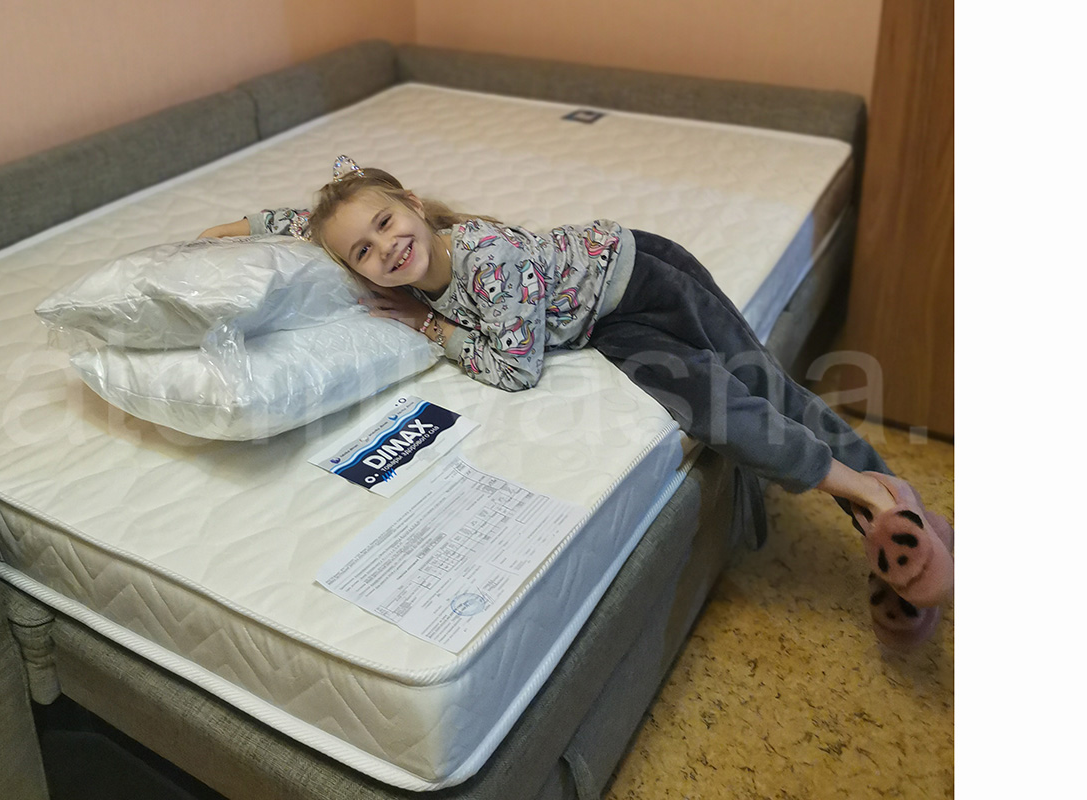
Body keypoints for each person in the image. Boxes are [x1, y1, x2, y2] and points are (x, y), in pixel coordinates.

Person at [199, 156, 954, 651]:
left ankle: (877, 499)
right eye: (363, 252)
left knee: (762, 388)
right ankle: (890, 518)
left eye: (387, 224)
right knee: (719, 411)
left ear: (414, 205)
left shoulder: (488, 260)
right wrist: (232, 232)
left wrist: (433, 330)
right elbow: (305, 224)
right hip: (604, 320)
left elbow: (516, 369)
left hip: (643, 277)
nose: (384, 248)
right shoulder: (385, 249)